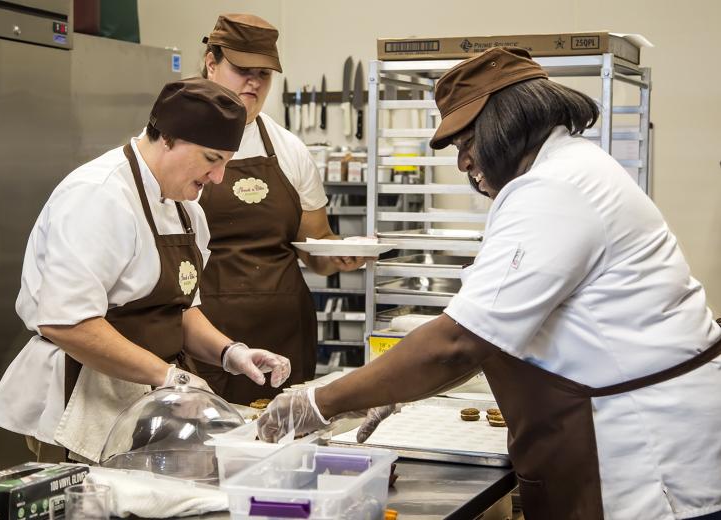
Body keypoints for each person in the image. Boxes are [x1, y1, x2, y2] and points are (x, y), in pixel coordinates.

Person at [257, 47, 721, 520]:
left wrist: (320, 401)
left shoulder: (554, 189)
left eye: (465, 143)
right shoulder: (564, 172)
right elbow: (489, 331)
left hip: (644, 451)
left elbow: (458, 342)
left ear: (507, 119)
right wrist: (393, 386)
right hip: (620, 430)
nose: (462, 164)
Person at [0, 78, 291, 464]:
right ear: (169, 138)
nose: (218, 179)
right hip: (83, 403)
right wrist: (171, 378)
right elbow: (67, 323)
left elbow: (179, 311)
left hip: (147, 405)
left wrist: (231, 353)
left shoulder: (186, 208)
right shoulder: (98, 196)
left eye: (226, 163)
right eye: (212, 160)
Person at [187, 13, 365, 404]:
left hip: (284, 333)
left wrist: (341, 255)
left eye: (264, 73)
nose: (254, 81)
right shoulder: (179, 147)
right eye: (242, 69)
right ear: (211, 63)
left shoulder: (289, 149)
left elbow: (316, 249)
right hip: (206, 336)